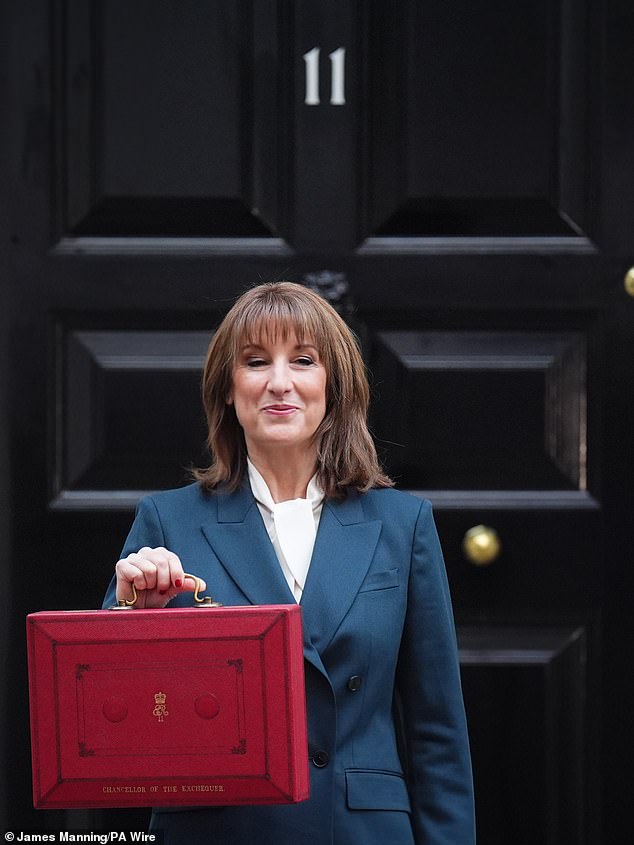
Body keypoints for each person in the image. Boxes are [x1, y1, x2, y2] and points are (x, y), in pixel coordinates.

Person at [103, 281, 475, 845]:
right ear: (228, 391)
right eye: (256, 362)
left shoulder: (403, 525)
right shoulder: (167, 522)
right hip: (217, 830)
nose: (280, 382)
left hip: (360, 831)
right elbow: (111, 720)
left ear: (333, 386)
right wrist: (140, 618)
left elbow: (437, 729)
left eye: (303, 360)